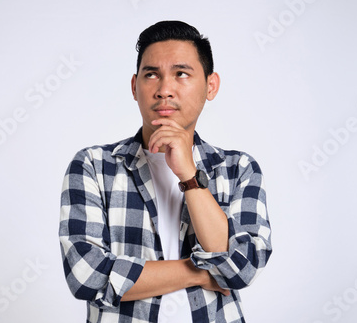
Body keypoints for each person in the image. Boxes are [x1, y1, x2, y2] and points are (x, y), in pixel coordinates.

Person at [59, 20, 272, 322]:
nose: (164, 90)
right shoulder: (94, 166)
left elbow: (241, 268)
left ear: (210, 86)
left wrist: (189, 176)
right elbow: (86, 275)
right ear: (135, 87)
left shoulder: (238, 169)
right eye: (151, 75)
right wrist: (199, 272)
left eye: (181, 74)